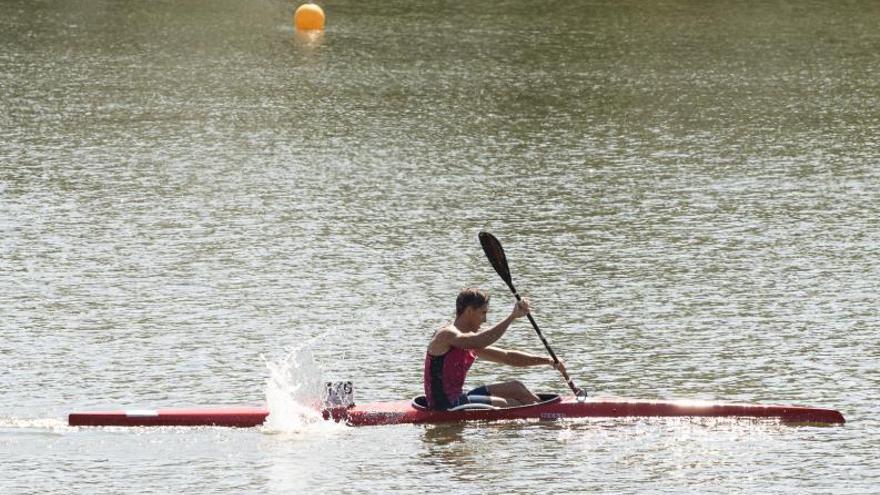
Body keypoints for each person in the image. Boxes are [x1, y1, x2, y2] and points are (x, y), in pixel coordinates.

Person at [423, 287, 567, 410]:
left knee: (516, 388)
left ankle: (549, 416)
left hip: (459, 397)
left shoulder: (468, 340)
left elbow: (507, 356)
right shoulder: (447, 335)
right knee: (504, 404)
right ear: (468, 311)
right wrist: (512, 317)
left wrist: (548, 361)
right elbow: (480, 340)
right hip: (445, 405)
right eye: (483, 313)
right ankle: (551, 418)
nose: (485, 319)